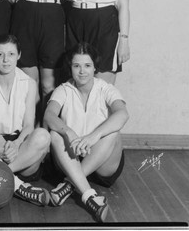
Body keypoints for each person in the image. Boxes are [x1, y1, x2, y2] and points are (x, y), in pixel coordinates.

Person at [43, 42, 129, 222]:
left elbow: (123, 114)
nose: (82, 71)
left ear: (95, 67)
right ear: (70, 68)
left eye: (87, 65)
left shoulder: (105, 88)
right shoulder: (64, 89)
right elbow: (49, 116)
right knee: (54, 134)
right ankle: (87, 194)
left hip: (101, 161)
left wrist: (93, 137)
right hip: (71, 158)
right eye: (77, 66)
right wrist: (69, 133)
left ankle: (68, 184)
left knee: (113, 132)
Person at [0, 35, 51, 206]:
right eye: (0, 55)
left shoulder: (29, 83)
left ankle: (3, 174)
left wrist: (18, 143)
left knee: (43, 134)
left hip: (21, 151)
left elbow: (28, 125)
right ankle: (19, 186)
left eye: (11, 54)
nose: (6, 60)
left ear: (19, 55)